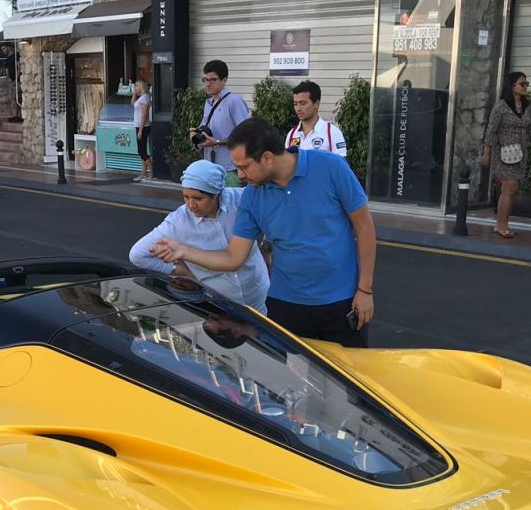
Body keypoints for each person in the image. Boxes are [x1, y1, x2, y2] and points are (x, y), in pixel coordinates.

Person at [153, 117, 376, 346]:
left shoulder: (330, 167)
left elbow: (364, 226)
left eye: (243, 167)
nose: (240, 175)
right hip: (287, 305)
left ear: (267, 158)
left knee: (350, 376)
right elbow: (233, 257)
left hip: (342, 302)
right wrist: (183, 251)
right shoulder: (252, 196)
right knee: (293, 378)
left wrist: (365, 290)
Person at [130, 160, 269, 312]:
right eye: (186, 197)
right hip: (220, 307)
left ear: (216, 194)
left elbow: (273, 209)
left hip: (260, 295)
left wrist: (267, 244)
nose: (190, 205)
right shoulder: (178, 222)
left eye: (197, 198)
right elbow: (137, 255)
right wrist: (178, 269)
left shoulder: (241, 200)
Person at [481, 71, 531, 239]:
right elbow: (491, 129)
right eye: (522, 84)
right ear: (512, 86)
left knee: (513, 190)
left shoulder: (527, 106)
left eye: (526, 84)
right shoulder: (501, 106)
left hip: (520, 153)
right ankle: (502, 225)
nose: (525, 87)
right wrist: (486, 151)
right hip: (502, 152)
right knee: (509, 188)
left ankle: (502, 223)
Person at [190, 60, 250, 175]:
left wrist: (216, 142)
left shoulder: (234, 101)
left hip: (229, 169)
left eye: (212, 80)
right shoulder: (208, 104)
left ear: (224, 80)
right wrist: (197, 137)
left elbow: (246, 135)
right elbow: (206, 134)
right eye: (205, 80)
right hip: (209, 167)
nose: (208, 84)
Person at [285, 81, 348, 158]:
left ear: (316, 104)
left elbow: (341, 166)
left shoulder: (332, 133)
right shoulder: (292, 134)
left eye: (302, 103)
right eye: (295, 104)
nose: (298, 108)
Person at [132, 79, 153, 181]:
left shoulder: (145, 97)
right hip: (139, 126)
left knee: (141, 151)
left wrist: (140, 130)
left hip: (143, 126)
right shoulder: (141, 97)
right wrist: (134, 93)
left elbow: (144, 115)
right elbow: (132, 103)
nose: (135, 88)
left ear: (141, 86)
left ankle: (152, 172)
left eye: (136, 86)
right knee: (142, 151)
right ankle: (144, 173)